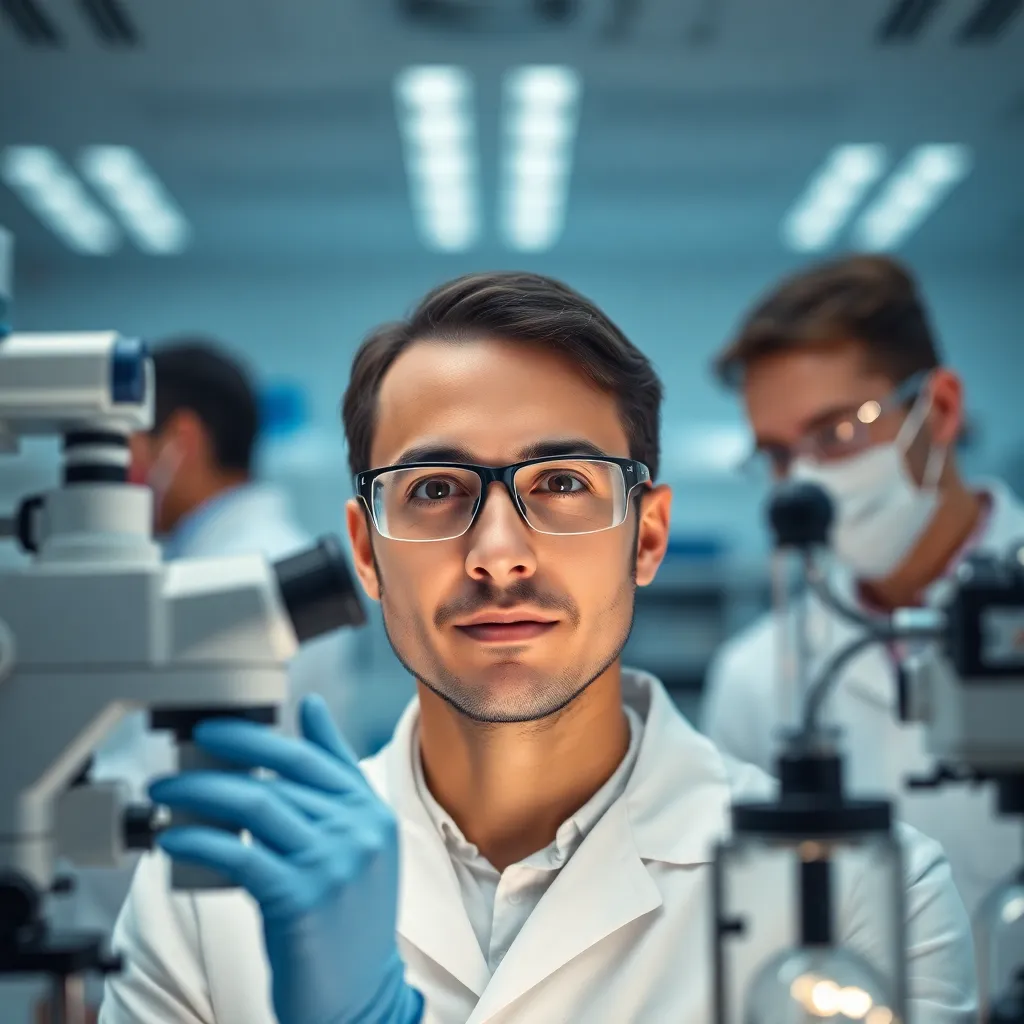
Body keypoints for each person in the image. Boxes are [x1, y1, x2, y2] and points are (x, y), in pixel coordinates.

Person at [100, 273, 976, 1024]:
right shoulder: (201, 903)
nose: (497, 554)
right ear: (366, 551)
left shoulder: (871, 903)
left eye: (561, 484)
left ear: (648, 535)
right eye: (435, 489)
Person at [701, 255, 1024, 925]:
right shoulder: (758, 676)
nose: (807, 479)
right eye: (779, 454)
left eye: (837, 432)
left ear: (939, 409)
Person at [44, 339, 355, 1023]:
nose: (116, 478)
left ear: (179, 438)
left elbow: (169, 787)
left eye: (124, 447)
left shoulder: (239, 579)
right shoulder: (237, 563)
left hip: (193, 931)